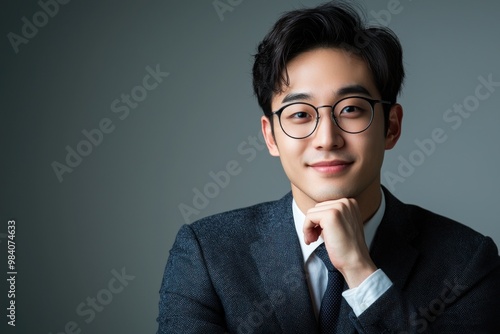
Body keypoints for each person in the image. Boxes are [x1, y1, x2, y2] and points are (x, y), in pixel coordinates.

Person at [157, 1, 500, 333]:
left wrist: (360, 270)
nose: (327, 138)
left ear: (391, 126)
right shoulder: (208, 253)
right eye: (300, 115)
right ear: (271, 136)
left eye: (351, 109)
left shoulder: (466, 261)